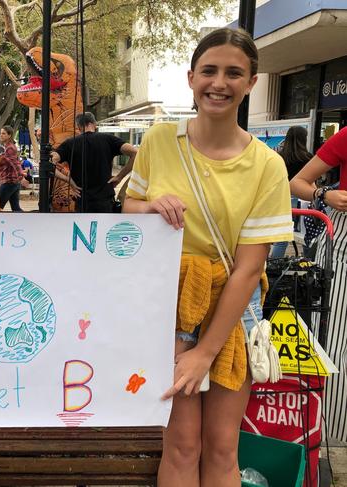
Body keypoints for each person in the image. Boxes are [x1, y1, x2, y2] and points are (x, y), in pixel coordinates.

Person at [123, 28, 293, 486]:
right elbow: (129, 213)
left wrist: (205, 352)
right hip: (168, 308)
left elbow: (249, 268)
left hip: (231, 314)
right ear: (191, 77)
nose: (219, 83)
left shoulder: (267, 165)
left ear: (252, 82)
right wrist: (149, 205)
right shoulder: (160, 141)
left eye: (233, 73)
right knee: (180, 445)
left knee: (221, 447)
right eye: (209, 71)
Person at [290, 126, 347, 444]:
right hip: (343, 244)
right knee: (335, 343)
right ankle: (328, 440)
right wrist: (325, 195)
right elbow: (296, 182)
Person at [52, 112, 137, 212]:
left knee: (83, 227)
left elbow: (47, 163)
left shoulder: (70, 143)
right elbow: (135, 153)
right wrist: (119, 176)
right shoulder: (108, 139)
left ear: (78, 127)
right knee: (105, 227)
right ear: (94, 124)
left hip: (82, 200)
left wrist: (68, 180)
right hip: (105, 200)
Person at [270, 126, 313, 258]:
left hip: (282, 198)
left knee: (281, 239)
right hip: (303, 200)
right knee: (307, 236)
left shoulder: (279, 157)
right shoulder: (308, 158)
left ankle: (273, 268)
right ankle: (308, 265)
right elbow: (312, 181)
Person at [0, 125, 24, 212]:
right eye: (1, 133)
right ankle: (27, 223)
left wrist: (21, 176)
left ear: (9, 135)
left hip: (9, 181)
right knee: (16, 208)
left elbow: (15, 164)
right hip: (13, 182)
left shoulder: (10, 148)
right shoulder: (7, 147)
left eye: (3, 133)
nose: (1, 135)